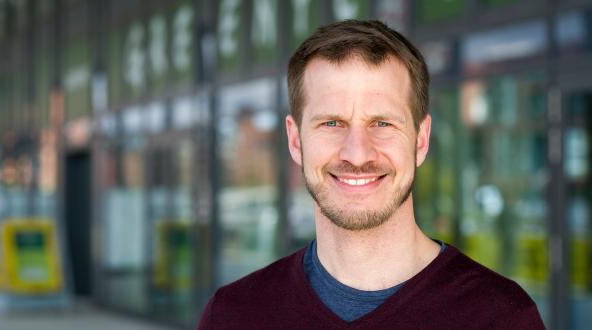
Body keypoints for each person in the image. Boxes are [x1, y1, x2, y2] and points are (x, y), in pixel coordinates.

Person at [198, 20, 545, 329]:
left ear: (420, 141)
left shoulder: (501, 317)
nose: (358, 153)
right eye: (332, 123)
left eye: (382, 123)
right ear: (295, 141)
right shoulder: (233, 315)